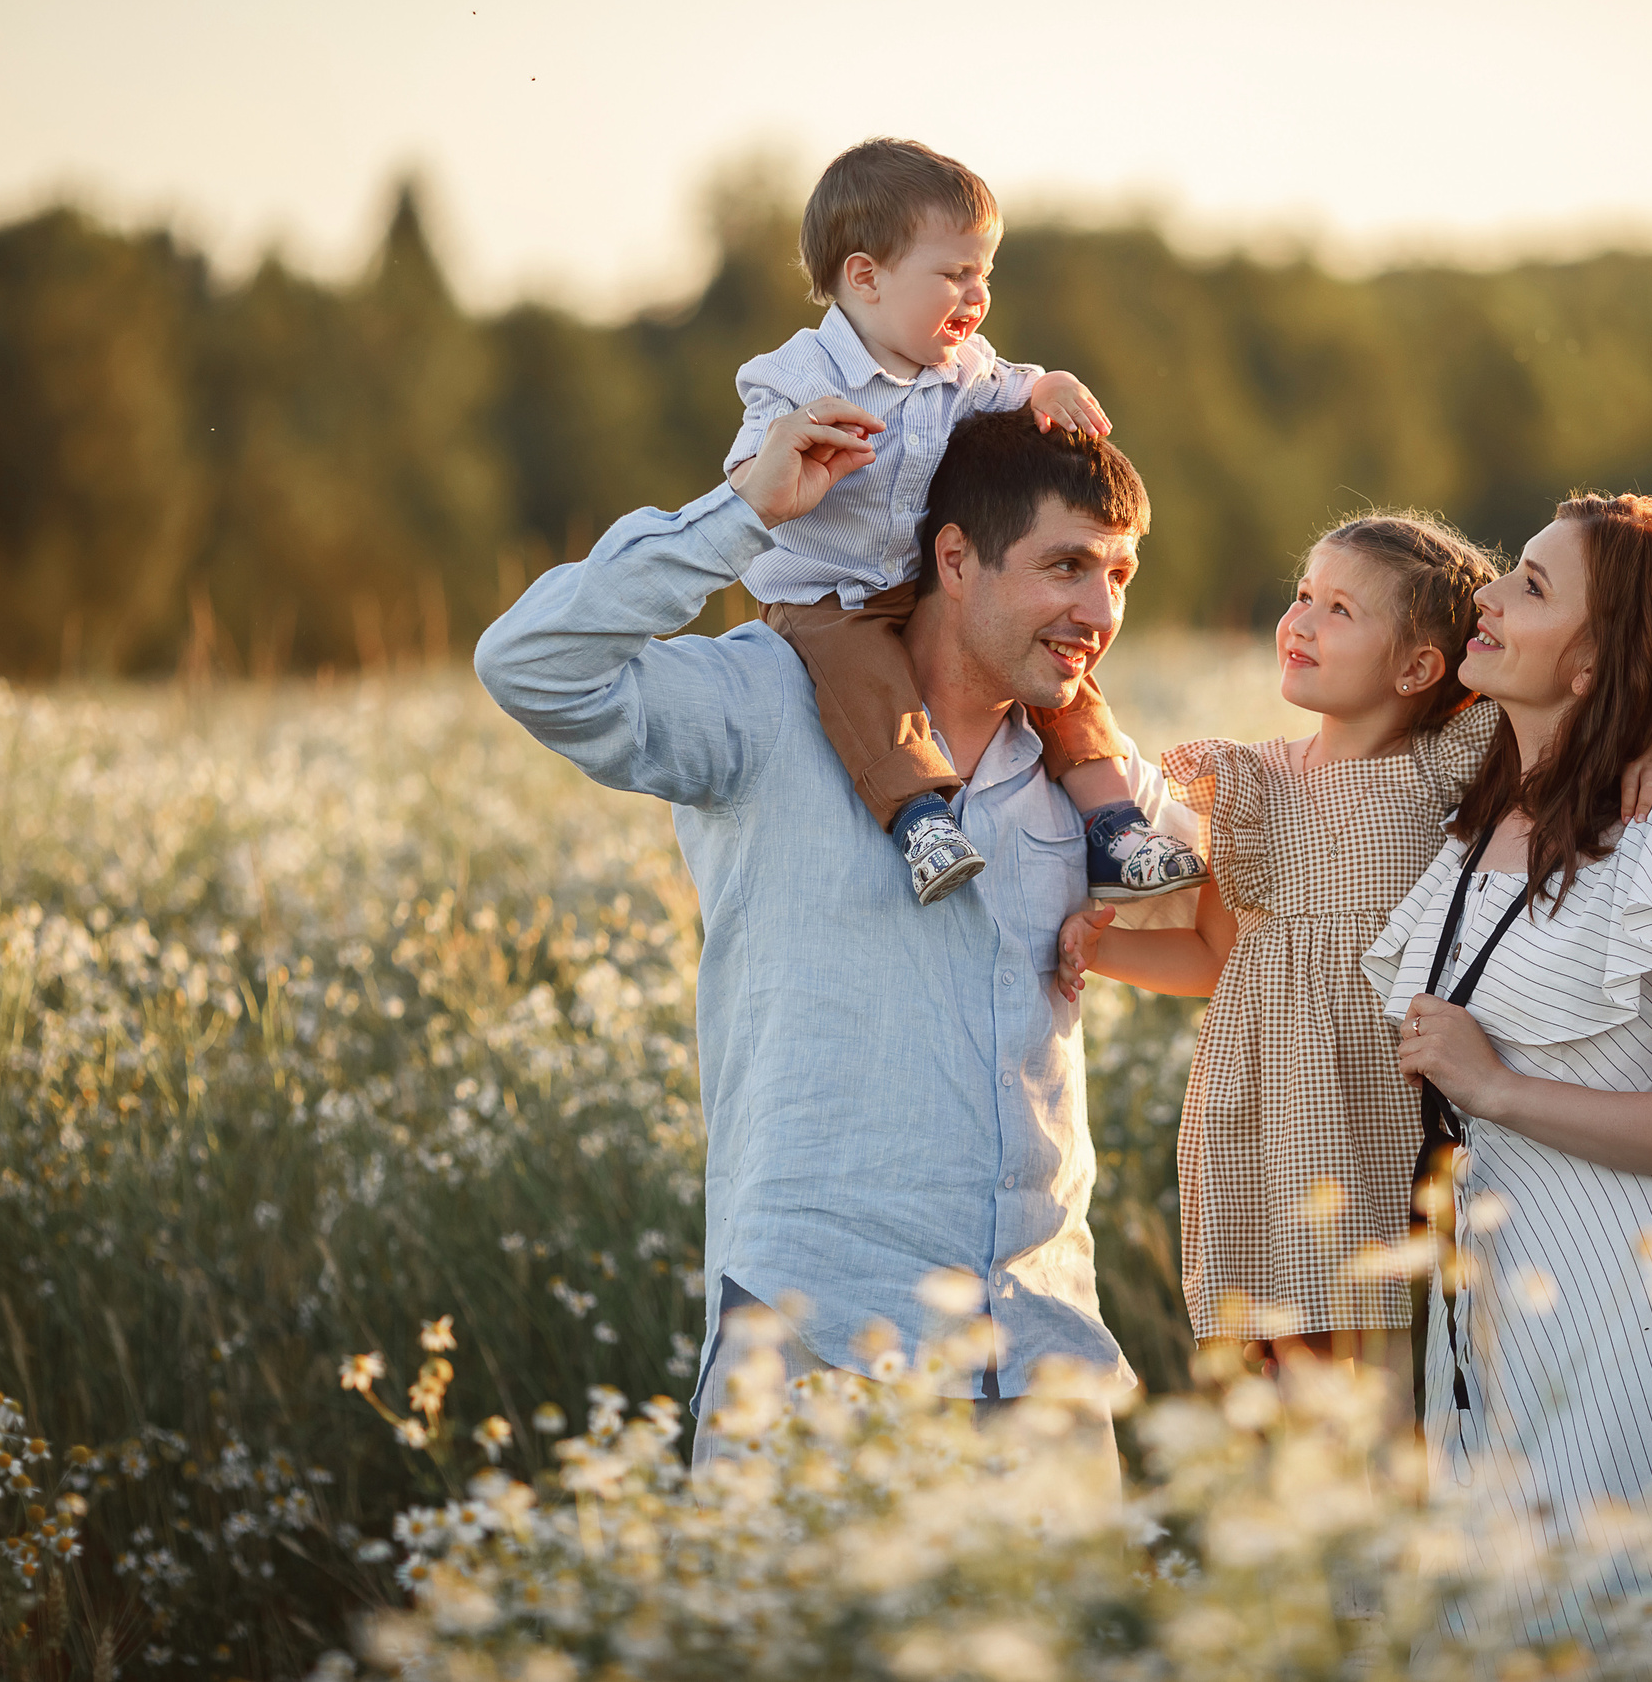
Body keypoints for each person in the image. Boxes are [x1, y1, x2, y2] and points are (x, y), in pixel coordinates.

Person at [473, 402, 1191, 1489]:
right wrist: (740, 515)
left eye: (1121, 576)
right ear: (955, 558)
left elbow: (1266, 915)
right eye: (1066, 568)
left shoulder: (1093, 782)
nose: (1100, 611)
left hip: (1043, 1370)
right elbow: (530, 664)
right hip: (820, 1348)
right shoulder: (765, 702)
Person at [1054, 514, 1652, 1410]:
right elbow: (1215, 955)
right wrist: (1110, 947)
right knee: (1276, 1369)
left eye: (1340, 609)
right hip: (1267, 1109)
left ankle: (1397, 1521)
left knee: (1392, 1365)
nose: (1301, 620)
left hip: (1382, 1100)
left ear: (1418, 668)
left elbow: (1579, 720)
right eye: (1304, 595)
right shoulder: (1249, 782)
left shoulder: (1452, 768)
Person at [1370, 492, 1652, 1661]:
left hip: (1628, 1306)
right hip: (1490, 1317)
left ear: (1594, 661)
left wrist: (1499, 1089)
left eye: (1529, 586)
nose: (1488, 596)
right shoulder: (1477, 817)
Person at [725, 136, 1203, 907]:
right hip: (826, 599)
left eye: (984, 273)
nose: (976, 295)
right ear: (865, 277)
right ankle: (920, 816)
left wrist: (1047, 387)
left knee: (1064, 678)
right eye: (954, 274)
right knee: (868, 686)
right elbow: (748, 480)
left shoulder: (964, 367)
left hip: (918, 585)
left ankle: (1112, 823)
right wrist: (774, 470)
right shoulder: (799, 376)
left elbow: (1015, 386)